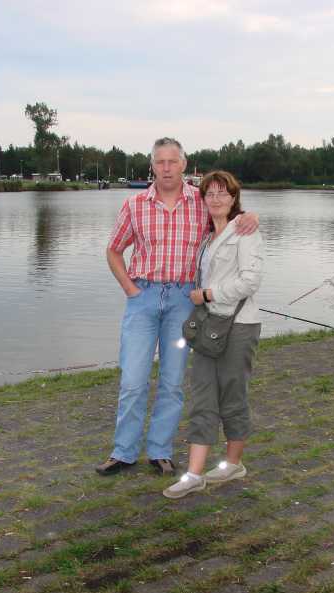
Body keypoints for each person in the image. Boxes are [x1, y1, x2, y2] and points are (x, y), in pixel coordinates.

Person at [97, 139, 258, 476]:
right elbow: (113, 250)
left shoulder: (201, 202)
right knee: (133, 379)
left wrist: (250, 217)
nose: (167, 168)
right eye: (160, 162)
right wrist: (130, 289)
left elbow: (230, 220)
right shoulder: (135, 204)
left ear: (184, 164)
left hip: (184, 301)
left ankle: (160, 450)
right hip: (143, 297)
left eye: (173, 161)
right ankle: (123, 451)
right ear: (152, 166)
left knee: (172, 381)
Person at [163, 170, 263, 498]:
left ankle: (233, 464)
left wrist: (207, 294)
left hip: (240, 325)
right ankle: (194, 474)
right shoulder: (207, 237)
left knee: (233, 395)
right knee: (203, 394)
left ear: (234, 198)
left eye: (223, 193)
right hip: (210, 326)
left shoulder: (245, 231)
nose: (216, 199)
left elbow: (250, 281)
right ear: (203, 199)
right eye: (210, 193)